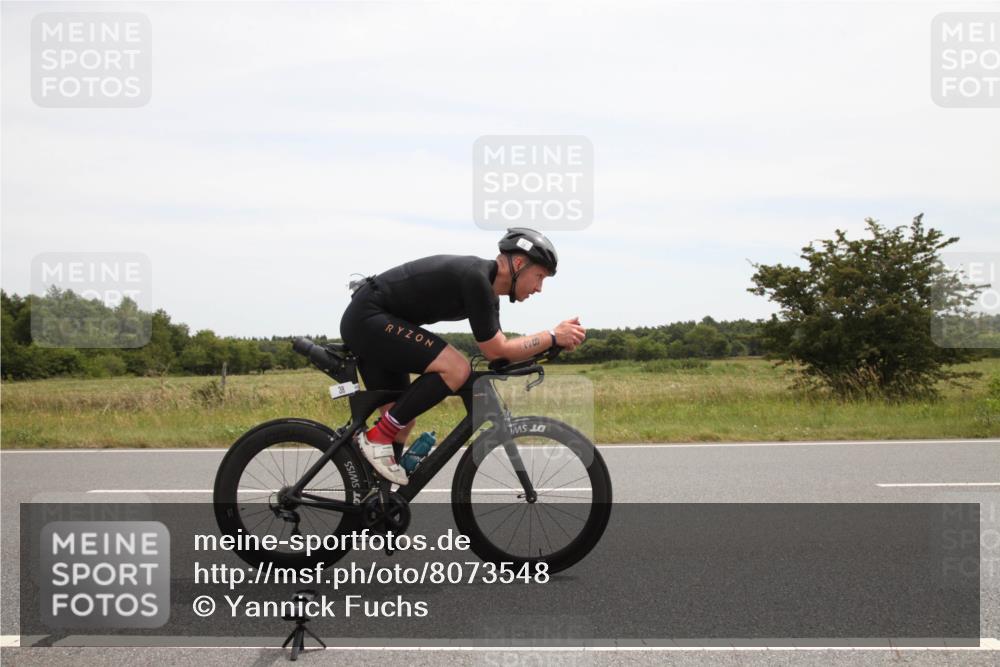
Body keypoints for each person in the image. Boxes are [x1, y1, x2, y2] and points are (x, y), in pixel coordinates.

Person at [339, 227, 586, 485]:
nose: (539, 288)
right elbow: (497, 349)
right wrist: (552, 335)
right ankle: (377, 437)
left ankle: (377, 503)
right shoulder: (476, 278)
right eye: (539, 276)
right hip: (368, 319)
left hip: (375, 322)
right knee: (456, 368)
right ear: (520, 263)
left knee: (402, 422)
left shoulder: (488, 293)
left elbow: (500, 356)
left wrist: (549, 347)